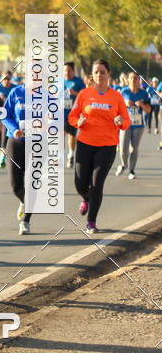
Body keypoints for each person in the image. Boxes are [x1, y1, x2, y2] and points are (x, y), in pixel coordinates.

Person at [68, 59, 130, 233]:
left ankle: (91, 221)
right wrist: (78, 121)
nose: (99, 75)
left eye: (103, 72)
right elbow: (72, 117)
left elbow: (126, 121)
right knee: (80, 183)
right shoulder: (83, 94)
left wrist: (120, 121)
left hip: (107, 146)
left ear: (109, 74)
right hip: (85, 143)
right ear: (92, 75)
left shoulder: (116, 96)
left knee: (97, 183)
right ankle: (87, 198)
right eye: (96, 72)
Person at [2, 82, 32, 235]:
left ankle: (25, 221)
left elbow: (55, 118)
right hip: (16, 141)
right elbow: (4, 115)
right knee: (15, 185)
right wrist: (14, 130)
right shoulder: (16, 92)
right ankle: (23, 201)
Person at [116, 71, 150, 179]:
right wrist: (125, 103)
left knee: (134, 148)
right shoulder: (124, 91)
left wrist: (142, 105)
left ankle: (131, 170)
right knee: (123, 148)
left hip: (138, 125)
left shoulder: (143, 94)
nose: (133, 80)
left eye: (135, 78)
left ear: (139, 80)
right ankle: (123, 164)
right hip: (126, 123)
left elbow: (148, 110)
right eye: (131, 78)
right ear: (128, 80)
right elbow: (117, 107)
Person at [63, 62, 85, 168]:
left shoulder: (78, 82)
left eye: (69, 71)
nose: (66, 73)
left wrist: (74, 93)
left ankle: (71, 155)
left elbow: (84, 96)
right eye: (65, 71)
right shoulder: (59, 81)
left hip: (73, 114)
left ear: (73, 71)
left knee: (71, 137)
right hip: (60, 113)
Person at [0, 71, 13, 167]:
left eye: (8, 79)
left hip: (8, 117)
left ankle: (2, 157)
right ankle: (2, 152)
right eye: (4, 79)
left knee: (5, 137)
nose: (6, 81)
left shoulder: (14, 88)